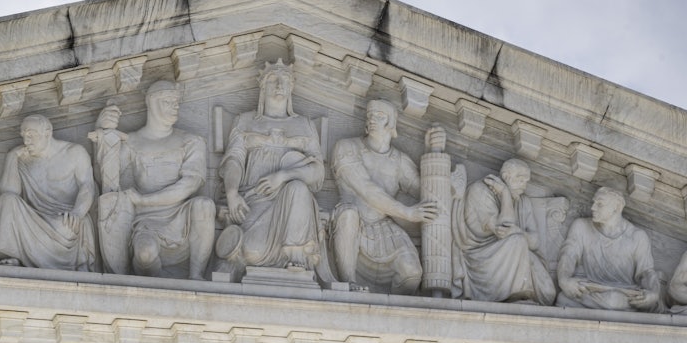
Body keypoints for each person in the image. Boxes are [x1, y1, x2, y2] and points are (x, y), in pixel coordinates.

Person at [217, 59, 331, 279]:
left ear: (291, 88)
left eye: (285, 80)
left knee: (298, 188)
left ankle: (296, 255)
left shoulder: (305, 125)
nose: (279, 85)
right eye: (273, 80)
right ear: (262, 87)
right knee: (253, 252)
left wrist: (283, 176)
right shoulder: (245, 121)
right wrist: (231, 193)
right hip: (255, 202)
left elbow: (317, 173)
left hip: (296, 210)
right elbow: (234, 161)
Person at [92, 81, 214, 279]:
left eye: (176, 102)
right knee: (145, 254)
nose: (175, 106)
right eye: (168, 101)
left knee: (204, 205)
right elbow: (107, 183)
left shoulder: (191, 141)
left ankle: (196, 276)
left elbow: (190, 184)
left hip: (180, 216)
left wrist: (143, 200)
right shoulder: (131, 142)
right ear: (151, 103)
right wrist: (103, 133)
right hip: (145, 220)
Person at [330, 99, 438, 293]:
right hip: (352, 224)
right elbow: (366, 188)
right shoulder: (347, 147)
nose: (372, 119)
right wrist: (407, 213)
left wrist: (434, 152)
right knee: (349, 214)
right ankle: (348, 282)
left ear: (391, 123)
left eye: (379, 116)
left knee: (412, 272)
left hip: (383, 227)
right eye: (370, 115)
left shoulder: (399, 161)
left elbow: (428, 191)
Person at [0, 115, 96, 271]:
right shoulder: (22, 158)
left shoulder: (74, 153)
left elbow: (87, 186)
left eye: (31, 135)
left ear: (47, 133)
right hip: (32, 217)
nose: (26, 141)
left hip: (63, 219)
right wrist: (12, 158)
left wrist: (77, 213)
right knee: (7, 200)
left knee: (65, 227)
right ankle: (12, 255)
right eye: (24, 136)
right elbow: (9, 191)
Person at [453, 158, 556, 304]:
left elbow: (534, 242)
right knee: (517, 241)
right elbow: (503, 229)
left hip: (511, 251)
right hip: (479, 256)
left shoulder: (523, 202)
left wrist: (519, 232)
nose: (525, 186)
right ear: (507, 177)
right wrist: (505, 194)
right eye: (521, 180)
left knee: (548, 293)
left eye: (526, 181)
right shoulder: (480, 191)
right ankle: (517, 295)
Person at [555, 186, 661, 311]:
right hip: (590, 290)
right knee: (562, 298)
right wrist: (564, 280)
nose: (593, 207)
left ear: (616, 207)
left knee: (614, 300)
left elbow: (646, 271)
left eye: (600, 204)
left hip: (623, 293)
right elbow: (568, 255)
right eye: (593, 202)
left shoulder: (637, 236)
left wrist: (654, 293)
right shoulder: (581, 226)